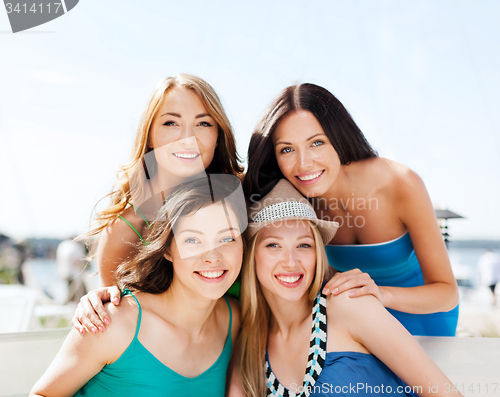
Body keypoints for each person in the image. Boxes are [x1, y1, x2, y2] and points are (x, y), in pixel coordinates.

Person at [242, 83, 459, 336]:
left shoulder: (400, 184)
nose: (303, 163)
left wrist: (380, 294)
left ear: (338, 137)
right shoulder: (292, 196)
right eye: (287, 149)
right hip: (353, 321)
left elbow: (447, 293)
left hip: (424, 316)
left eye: (317, 143)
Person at [232, 179, 461, 397]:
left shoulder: (347, 304)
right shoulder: (251, 344)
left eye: (304, 245)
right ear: (252, 256)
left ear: (317, 255)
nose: (291, 262)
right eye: (273, 245)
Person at [30, 176, 245, 396]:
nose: (212, 256)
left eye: (227, 239)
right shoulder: (111, 322)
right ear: (167, 250)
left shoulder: (233, 319)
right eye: (192, 240)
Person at [84, 73, 242, 288]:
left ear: (218, 137)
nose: (187, 138)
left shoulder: (238, 197)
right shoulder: (126, 229)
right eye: (171, 123)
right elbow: (110, 313)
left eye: (203, 123)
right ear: (149, 136)